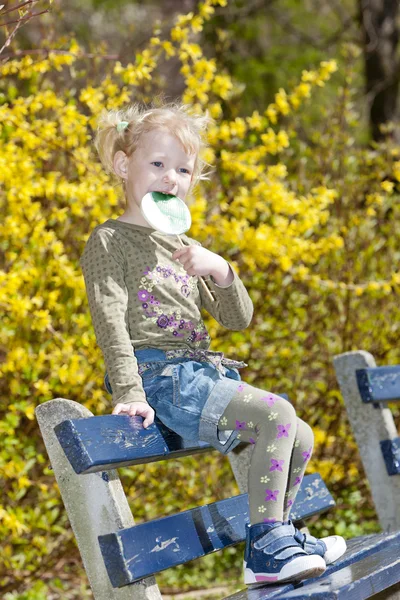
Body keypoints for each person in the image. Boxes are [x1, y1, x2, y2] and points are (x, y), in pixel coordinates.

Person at [80, 100, 346, 586]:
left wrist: (220, 269)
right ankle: (267, 546)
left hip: (201, 375)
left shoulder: (181, 243)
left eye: (182, 169)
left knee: (300, 434)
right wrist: (129, 391)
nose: (170, 178)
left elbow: (237, 319)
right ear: (123, 165)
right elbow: (109, 321)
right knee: (277, 416)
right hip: (161, 378)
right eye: (156, 164)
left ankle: (275, 534)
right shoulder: (109, 240)